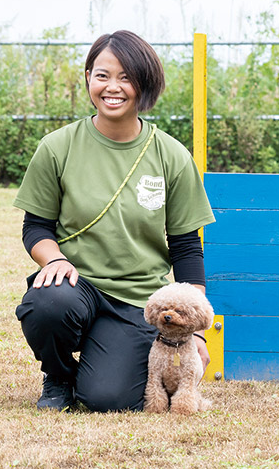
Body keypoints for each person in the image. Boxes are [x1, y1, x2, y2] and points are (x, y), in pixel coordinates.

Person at [13, 30, 215, 412]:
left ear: (145, 84)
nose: (113, 87)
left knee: (108, 398)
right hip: (77, 286)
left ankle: (97, 362)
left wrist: (196, 335)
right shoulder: (57, 146)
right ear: (88, 77)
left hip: (138, 301)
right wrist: (54, 260)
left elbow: (187, 247)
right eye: (102, 74)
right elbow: (36, 226)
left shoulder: (171, 155)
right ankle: (57, 376)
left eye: (126, 77)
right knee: (48, 305)